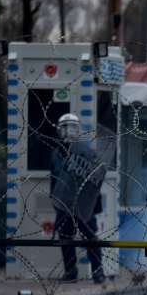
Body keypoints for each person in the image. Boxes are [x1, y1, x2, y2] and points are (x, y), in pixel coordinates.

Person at [50, 113, 106, 284]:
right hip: (64, 203)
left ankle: (98, 271)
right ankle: (71, 272)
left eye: (72, 127)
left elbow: (95, 179)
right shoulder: (56, 153)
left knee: (90, 237)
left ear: (78, 129)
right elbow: (55, 178)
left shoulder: (87, 151)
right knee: (65, 237)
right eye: (64, 127)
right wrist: (56, 201)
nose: (68, 131)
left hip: (84, 205)